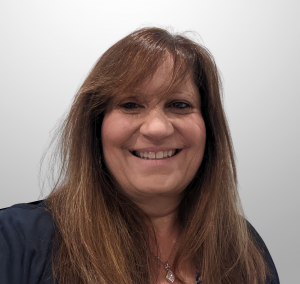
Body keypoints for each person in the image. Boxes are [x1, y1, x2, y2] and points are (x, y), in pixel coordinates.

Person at [0, 27, 279, 284]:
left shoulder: (244, 248)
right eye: (131, 104)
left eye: (179, 104)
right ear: (96, 126)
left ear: (209, 128)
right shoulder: (16, 239)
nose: (157, 128)